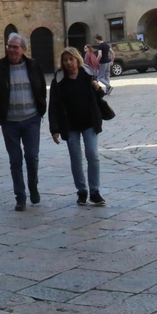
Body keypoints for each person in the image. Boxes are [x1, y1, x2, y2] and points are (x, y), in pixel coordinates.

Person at [0, 33, 48, 210]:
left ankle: (33, 186)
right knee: (15, 160)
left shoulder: (33, 66)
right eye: (9, 46)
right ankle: (20, 196)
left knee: (32, 156)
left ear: (23, 50)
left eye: (15, 47)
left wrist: (41, 109)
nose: (11, 50)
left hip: (31, 119)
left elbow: (41, 87)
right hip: (10, 121)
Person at [49, 49, 108, 207]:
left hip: (89, 122)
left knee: (93, 155)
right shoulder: (58, 79)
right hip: (70, 125)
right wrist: (54, 129)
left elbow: (100, 95)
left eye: (71, 59)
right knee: (76, 158)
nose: (68, 62)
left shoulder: (87, 75)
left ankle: (95, 191)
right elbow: (53, 105)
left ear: (77, 60)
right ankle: (82, 191)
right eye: (65, 60)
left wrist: (97, 88)